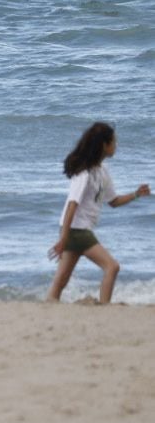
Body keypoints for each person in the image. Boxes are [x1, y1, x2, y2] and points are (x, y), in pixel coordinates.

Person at [47, 121, 149, 303]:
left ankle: (48, 308)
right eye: (114, 142)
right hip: (77, 231)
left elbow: (114, 201)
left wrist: (136, 194)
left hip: (74, 231)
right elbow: (72, 205)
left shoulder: (102, 171)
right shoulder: (84, 173)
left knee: (60, 281)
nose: (116, 146)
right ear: (104, 145)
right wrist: (63, 239)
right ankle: (104, 308)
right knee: (112, 267)